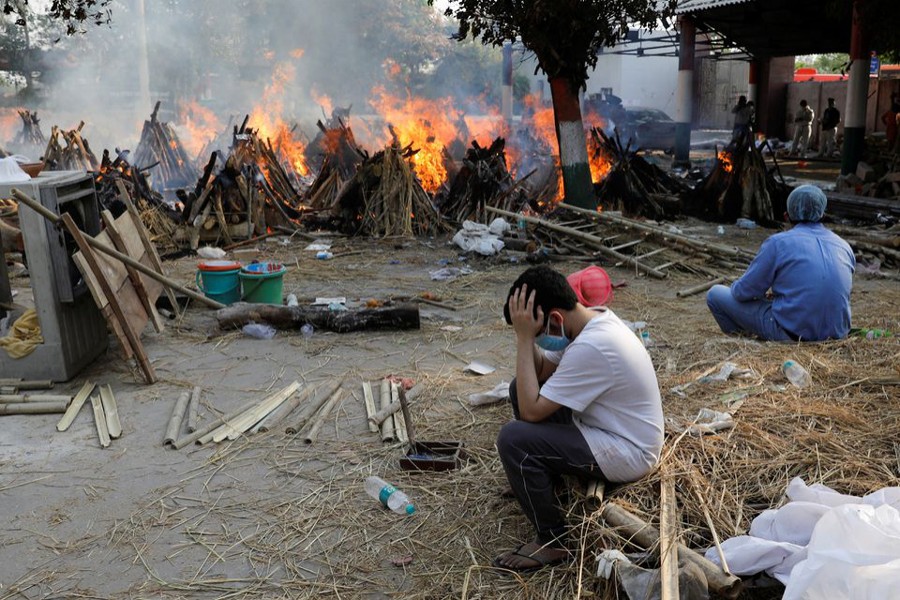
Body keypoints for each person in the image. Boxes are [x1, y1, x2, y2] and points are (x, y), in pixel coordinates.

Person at [493, 265, 663, 572]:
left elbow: (531, 410)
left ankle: (552, 541)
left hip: (629, 450)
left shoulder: (593, 345)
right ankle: (544, 480)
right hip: (607, 429)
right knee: (521, 386)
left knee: (513, 440)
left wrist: (523, 339)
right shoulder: (589, 321)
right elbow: (542, 372)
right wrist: (529, 336)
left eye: (538, 330)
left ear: (555, 319)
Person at [706, 185, 855, 342]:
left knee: (715, 294)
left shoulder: (778, 243)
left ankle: (744, 343)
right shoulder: (843, 245)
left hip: (793, 335)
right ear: (823, 214)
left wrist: (745, 289)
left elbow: (743, 292)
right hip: (837, 336)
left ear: (786, 216)